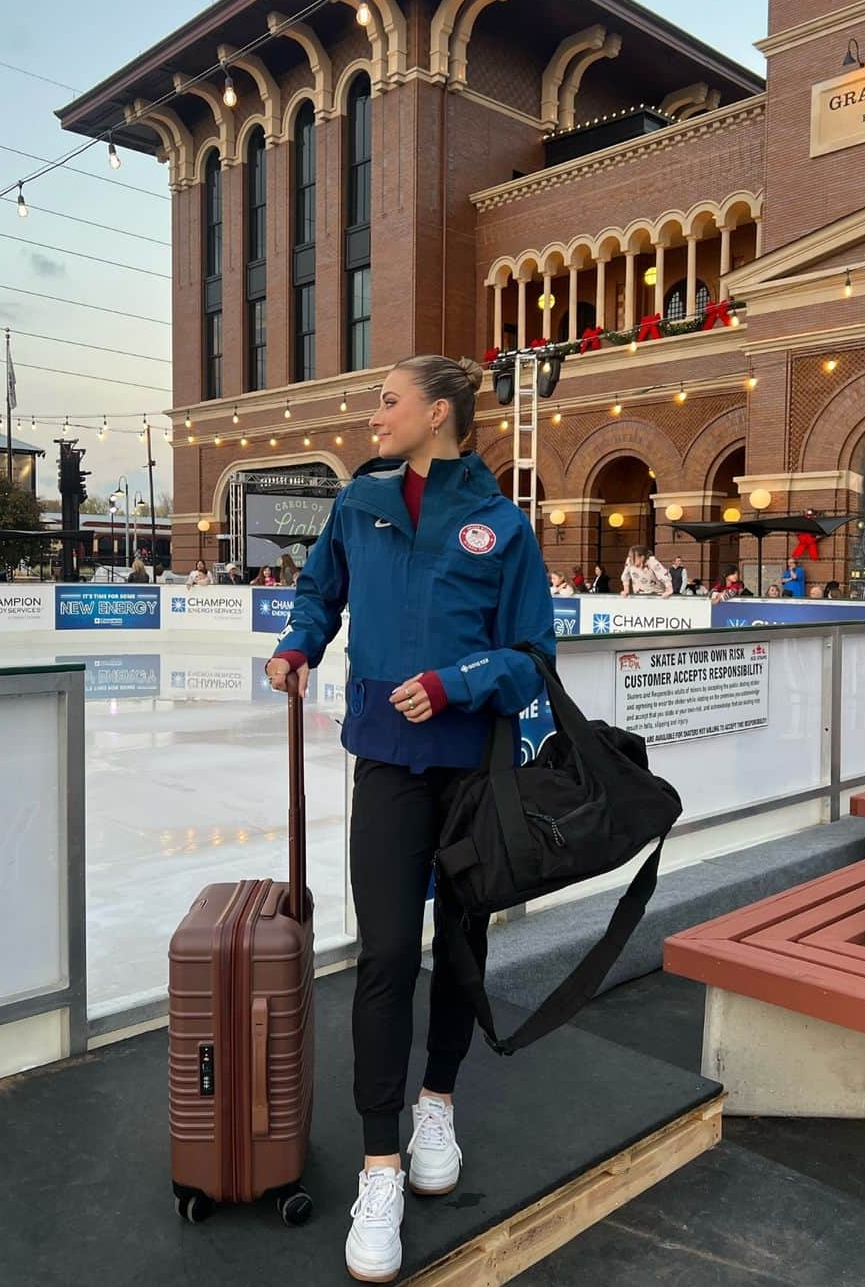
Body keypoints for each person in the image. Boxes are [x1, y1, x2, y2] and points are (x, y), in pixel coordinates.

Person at [264, 355, 555, 1284]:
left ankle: (440, 1101)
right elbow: (322, 591)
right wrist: (299, 641)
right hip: (387, 767)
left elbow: (532, 658)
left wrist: (458, 682)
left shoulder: (503, 526)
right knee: (387, 953)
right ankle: (380, 1162)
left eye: (386, 402)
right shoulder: (361, 506)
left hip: (472, 775)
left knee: (461, 948)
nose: (371, 415)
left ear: (438, 414)